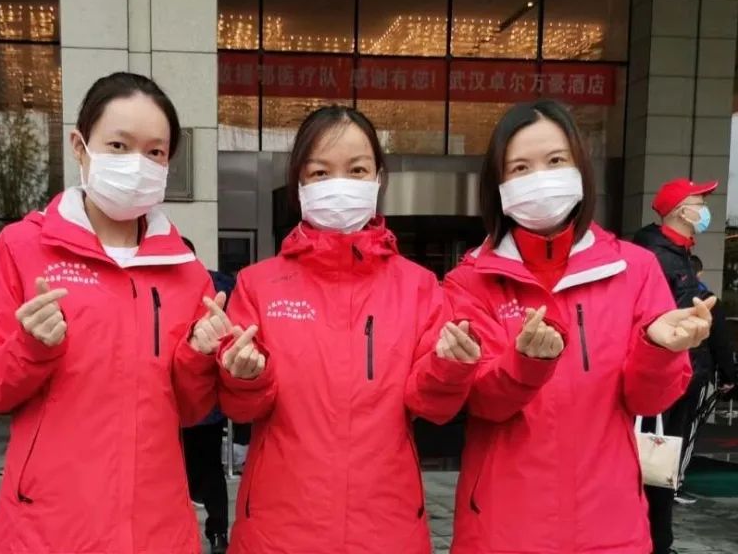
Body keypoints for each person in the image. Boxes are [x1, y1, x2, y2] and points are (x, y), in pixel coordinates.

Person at [0, 72, 227, 554]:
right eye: (118, 145)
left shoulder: (187, 272)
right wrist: (30, 348)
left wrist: (197, 354)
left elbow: (190, 411)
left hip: (156, 527)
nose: (137, 164)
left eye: (154, 152)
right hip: (48, 526)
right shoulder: (23, 247)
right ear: (80, 147)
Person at [203, 105, 481, 553]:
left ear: (378, 179)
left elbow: (433, 408)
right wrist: (245, 375)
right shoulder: (258, 285)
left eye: (357, 170)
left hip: (387, 526)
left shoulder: (418, 287)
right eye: (320, 172)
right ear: (299, 184)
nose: (340, 184)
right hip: (279, 528)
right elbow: (239, 407)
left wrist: (451, 368)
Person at [444, 100, 713, 554]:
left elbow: (650, 401)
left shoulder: (635, 269)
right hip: (501, 527)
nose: (540, 178)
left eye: (555, 161)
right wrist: (524, 365)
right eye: (520, 168)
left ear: (580, 169)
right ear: (499, 185)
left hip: (609, 525)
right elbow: (480, 402)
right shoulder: (470, 281)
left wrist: (660, 349)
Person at [634, 185, 735, 546]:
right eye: (698, 203)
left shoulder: (676, 254)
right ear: (679, 210)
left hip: (682, 375)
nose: (704, 210)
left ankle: (656, 538)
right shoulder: (659, 257)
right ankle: (654, 541)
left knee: (661, 463)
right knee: (656, 462)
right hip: (667, 376)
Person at [180, 236, 233, 554]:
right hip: (182, 402)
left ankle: (216, 533)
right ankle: (215, 533)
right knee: (202, 470)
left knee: (205, 470)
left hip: (202, 404)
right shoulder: (216, 282)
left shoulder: (215, 285)